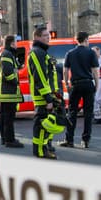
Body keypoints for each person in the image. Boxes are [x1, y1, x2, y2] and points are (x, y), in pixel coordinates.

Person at [61, 31, 99, 149]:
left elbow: (65, 70)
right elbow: (95, 71)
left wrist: (67, 83)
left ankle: (69, 139)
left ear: (77, 40)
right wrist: (96, 85)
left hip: (75, 84)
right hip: (88, 83)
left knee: (72, 112)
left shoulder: (70, 53)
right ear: (86, 39)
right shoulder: (91, 53)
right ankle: (85, 140)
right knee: (88, 113)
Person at [27, 27, 61, 158]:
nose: (49, 37)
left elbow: (49, 77)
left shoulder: (42, 52)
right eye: (45, 35)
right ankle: (40, 151)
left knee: (47, 125)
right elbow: (40, 77)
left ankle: (45, 148)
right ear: (37, 37)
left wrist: (55, 94)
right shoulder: (36, 53)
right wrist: (48, 98)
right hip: (43, 96)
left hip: (48, 95)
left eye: (49, 35)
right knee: (41, 125)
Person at [0, 35, 24, 148]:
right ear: (12, 43)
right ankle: (9, 140)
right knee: (8, 118)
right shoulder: (7, 54)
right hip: (8, 92)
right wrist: (15, 81)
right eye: (16, 43)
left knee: (4, 117)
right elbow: (8, 73)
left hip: (4, 91)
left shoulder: (4, 54)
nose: (17, 45)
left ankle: (5, 138)